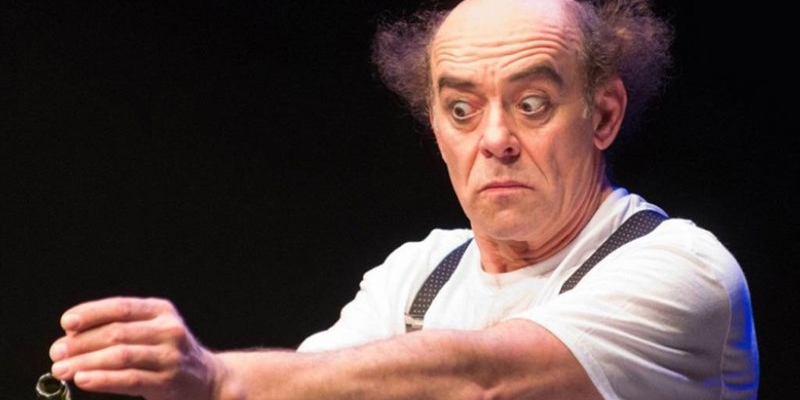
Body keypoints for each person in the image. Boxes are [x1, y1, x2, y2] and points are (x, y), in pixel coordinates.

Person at [47, 0, 759, 399]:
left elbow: (481, 380)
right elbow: (314, 387)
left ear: (601, 116)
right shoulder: (419, 273)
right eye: (462, 110)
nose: (495, 139)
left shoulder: (680, 268)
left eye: (532, 104)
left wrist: (218, 377)